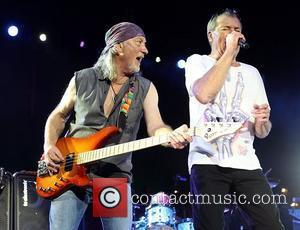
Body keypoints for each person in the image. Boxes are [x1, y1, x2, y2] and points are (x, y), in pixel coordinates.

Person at [42, 22, 192, 230]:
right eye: (139, 42)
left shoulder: (145, 88)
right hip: (69, 172)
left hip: (114, 176)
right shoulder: (83, 78)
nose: (145, 50)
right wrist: (49, 146)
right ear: (118, 47)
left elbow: (156, 126)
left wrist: (170, 134)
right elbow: (58, 115)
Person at [184, 9, 284, 230]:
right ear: (211, 35)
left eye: (237, 30)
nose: (233, 34)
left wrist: (262, 121)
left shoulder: (252, 73)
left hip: (246, 163)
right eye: (226, 29)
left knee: (270, 224)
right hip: (207, 161)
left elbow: (263, 131)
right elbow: (204, 94)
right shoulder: (197, 62)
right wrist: (228, 53)